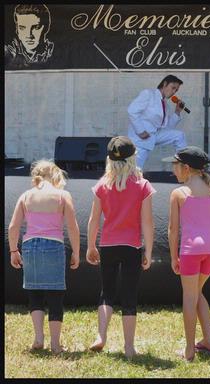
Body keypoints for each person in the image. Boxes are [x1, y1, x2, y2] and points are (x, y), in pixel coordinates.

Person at [86, 136, 155, 358]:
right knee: (129, 296)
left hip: (107, 244)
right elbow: (147, 222)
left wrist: (90, 246)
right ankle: (128, 347)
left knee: (107, 292)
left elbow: (93, 220)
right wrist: (149, 250)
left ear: (109, 159)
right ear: (133, 158)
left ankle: (101, 336)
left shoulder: (102, 185)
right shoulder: (142, 185)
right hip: (131, 246)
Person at [8, 159, 80, 354]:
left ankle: (38, 338)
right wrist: (76, 251)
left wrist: (14, 250)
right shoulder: (62, 195)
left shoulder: (26, 196)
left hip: (30, 245)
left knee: (35, 293)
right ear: (55, 175)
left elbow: (13, 226)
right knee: (56, 294)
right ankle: (56, 344)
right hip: (54, 245)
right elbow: (72, 227)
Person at [163, 146, 210, 362]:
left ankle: (189, 351)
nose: (173, 171)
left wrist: (174, 257)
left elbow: (173, 230)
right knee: (197, 292)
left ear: (186, 168)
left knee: (189, 297)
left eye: (175, 166)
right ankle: (209, 341)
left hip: (191, 250)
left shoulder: (178, 194)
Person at [127, 74, 188, 169]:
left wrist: (177, 112)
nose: (174, 92)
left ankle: (184, 164)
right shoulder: (148, 94)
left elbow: (167, 127)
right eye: (173, 88)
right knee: (134, 171)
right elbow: (132, 110)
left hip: (155, 135)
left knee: (179, 135)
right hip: (140, 140)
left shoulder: (165, 104)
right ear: (164, 84)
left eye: (176, 90)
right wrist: (141, 131)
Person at [5, 4, 54, 69]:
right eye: (22, 28)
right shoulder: (9, 51)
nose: (29, 35)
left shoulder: (54, 51)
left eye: (36, 27)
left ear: (46, 28)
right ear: (17, 30)